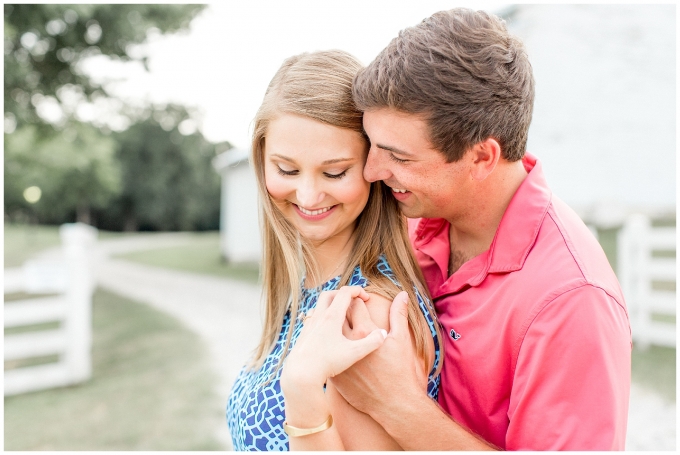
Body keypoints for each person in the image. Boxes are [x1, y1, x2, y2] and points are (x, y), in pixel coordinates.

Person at [329, 8, 632, 451]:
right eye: (371, 144)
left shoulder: (571, 299)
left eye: (400, 157)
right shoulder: (413, 218)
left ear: (482, 158)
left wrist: (396, 405)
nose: (373, 170)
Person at [226, 50, 443, 451]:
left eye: (334, 172)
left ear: (372, 168)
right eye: (287, 170)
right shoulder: (309, 286)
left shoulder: (368, 314)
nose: (308, 195)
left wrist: (302, 388)